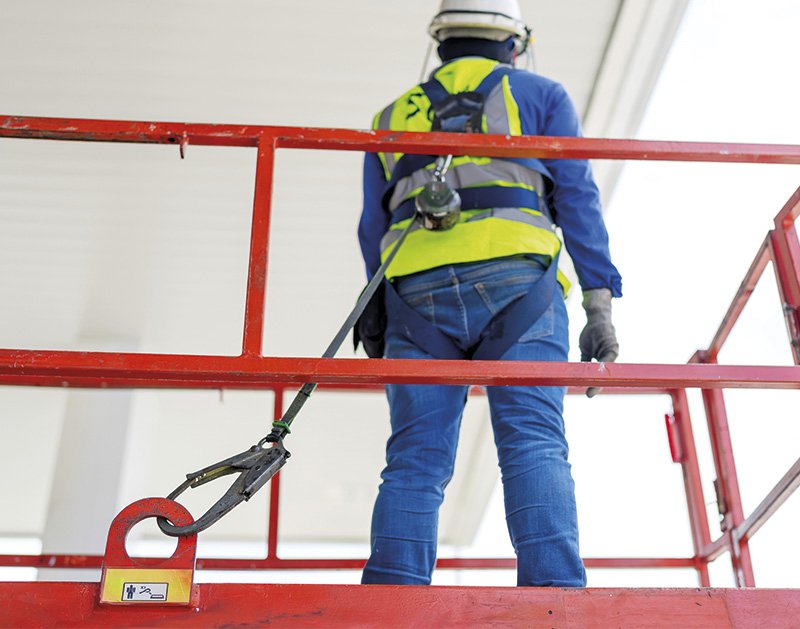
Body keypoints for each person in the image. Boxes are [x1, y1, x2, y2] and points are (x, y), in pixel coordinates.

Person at [356, 0, 622, 587]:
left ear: (441, 44)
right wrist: (598, 304)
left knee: (415, 457)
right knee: (532, 441)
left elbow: (373, 227)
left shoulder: (391, 114)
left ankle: (390, 599)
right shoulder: (541, 95)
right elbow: (576, 197)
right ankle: (553, 595)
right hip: (519, 286)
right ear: (512, 44)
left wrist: (374, 307)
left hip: (413, 296)